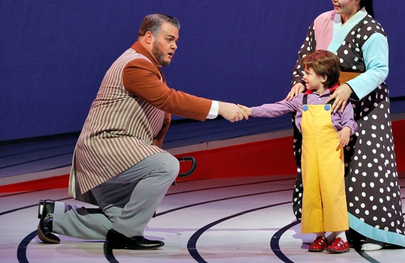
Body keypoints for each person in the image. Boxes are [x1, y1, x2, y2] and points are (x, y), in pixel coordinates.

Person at [36, 13, 248, 250]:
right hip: (106, 151)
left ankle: (55, 218)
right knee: (165, 165)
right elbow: (169, 99)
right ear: (149, 37)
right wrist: (220, 108)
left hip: (114, 155)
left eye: (176, 41)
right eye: (169, 39)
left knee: (122, 221)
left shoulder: (143, 64)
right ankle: (124, 238)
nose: (175, 46)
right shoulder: (135, 64)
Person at [285, 0, 405, 250]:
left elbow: (379, 70)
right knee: (327, 167)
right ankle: (332, 227)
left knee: (363, 169)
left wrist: (349, 87)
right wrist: (300, 80)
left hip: (363, 106)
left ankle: (369, 230)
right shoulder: (322, 21)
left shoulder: (371, 29)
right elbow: (305, 58)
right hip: (325, 106)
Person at [240, 50, 358, 253]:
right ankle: (319, 235)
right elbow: (276, 108)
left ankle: (340, 235)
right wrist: (250, 111)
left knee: (332, 192)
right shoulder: (302, 100)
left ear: (323, 77)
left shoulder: (338, 99)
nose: (304, 77)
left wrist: (347, 129)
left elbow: (350, 121)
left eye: (308, 73)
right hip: (309, 154)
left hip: (331, 153)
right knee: (312, 193)